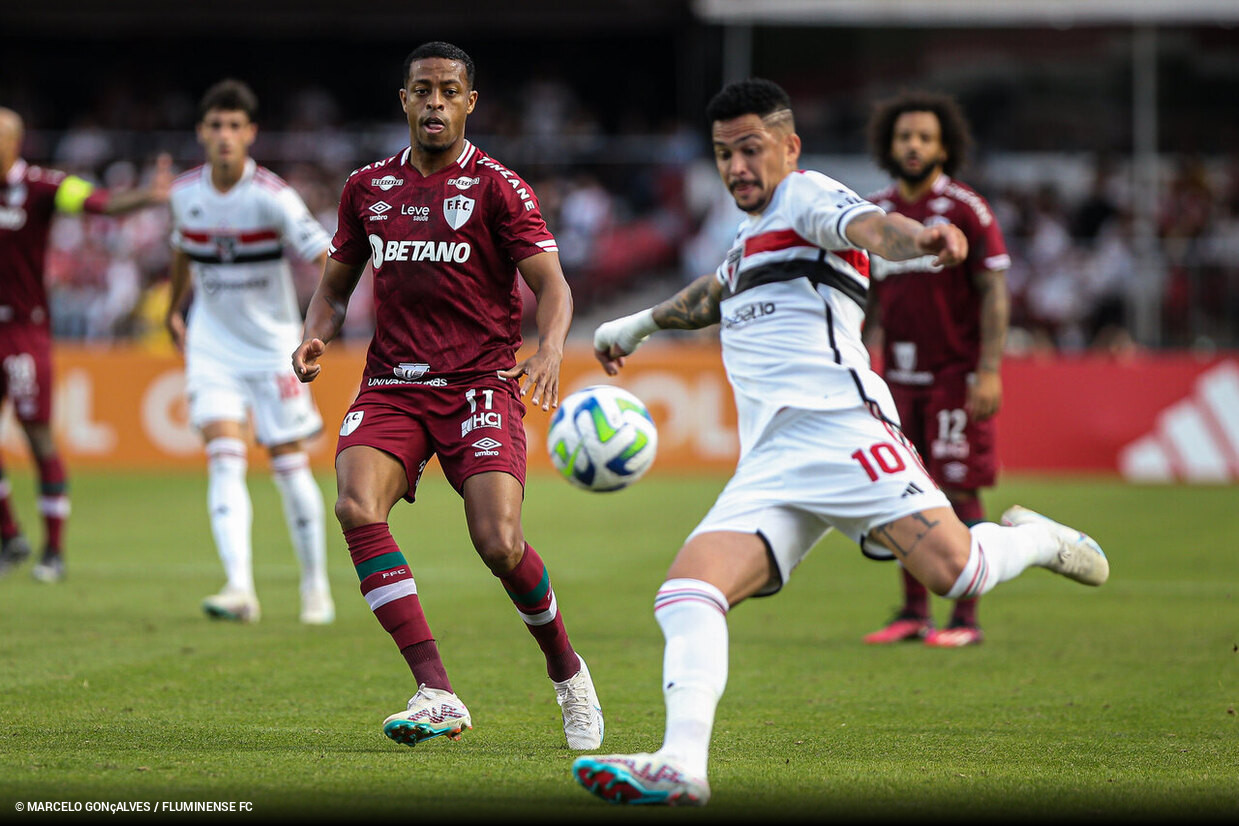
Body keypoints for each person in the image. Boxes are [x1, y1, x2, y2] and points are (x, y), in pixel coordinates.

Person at [571, 78, 1108, 807]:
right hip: (770, 462)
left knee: (959, 574)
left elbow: (872, 228)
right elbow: (711, 291)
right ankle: (681, 763)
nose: (736, 167)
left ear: (788, 148)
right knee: (686, 592)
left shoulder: (808, 197)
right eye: (724, 153)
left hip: (844, 433)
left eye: (751, 149)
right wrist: (633, 326)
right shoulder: (747, 236)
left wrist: (920, 241)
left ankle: (1038, 539)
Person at [291, 41, 603, 750]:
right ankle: (436, 689)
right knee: (351, 503)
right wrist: (315, 334)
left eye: (447, 91)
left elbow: (552, 284)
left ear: (469, 101)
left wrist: (551, 346)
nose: (434, 103)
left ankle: (566, 669)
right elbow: (333, 289)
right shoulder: (366, 187)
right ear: (403, 100)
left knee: (497, 543)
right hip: (394, 385)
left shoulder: (498, 187)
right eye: (421, 90)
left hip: (479, 386)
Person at [165, 79, 335, 625]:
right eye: (215, 125)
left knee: (288, 467)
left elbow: (328, 256)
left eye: (235, 126)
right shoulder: (185, 193)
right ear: (201, 132)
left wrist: (320, 326)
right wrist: (174, 306)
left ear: (251, 133)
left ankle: (315, 588)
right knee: (223, 460)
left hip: (271, 350)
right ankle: (240, 586)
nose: (224, 135)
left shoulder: (272, 196)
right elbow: (180, 249)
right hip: (212, 347)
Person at [860, 91, 1012, 648]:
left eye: (925, 137)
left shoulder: (967, 209)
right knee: (903, 489)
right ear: (888, 144)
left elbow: (993, 289)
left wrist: (989, 370)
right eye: (905, 137)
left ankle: (965, 619)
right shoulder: (876, 217)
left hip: (956, 374)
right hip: (897, 380)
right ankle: (913, 611)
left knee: (957, 487)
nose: (914, 146)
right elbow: (865, 298)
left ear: (945, 145)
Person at [0, 106, 171, 583]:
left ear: (14, 143)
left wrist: (147, 197)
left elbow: (101, 203)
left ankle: (53, 550)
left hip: (23, 331)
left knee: (36, 436)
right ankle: (10, 537)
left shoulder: (42, 186)